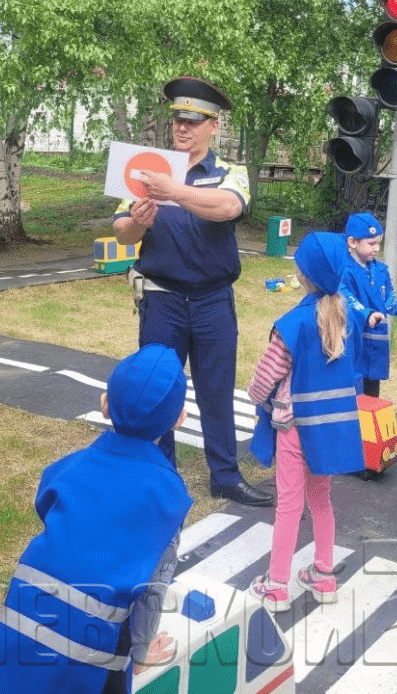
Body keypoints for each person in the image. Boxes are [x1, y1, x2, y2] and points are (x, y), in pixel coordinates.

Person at [0, 344, 192, 694]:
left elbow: (46, 505)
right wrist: (142, 651)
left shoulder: (69, 466)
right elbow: (153, 587)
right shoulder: (170, 497)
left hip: (27, 613)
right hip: (97, 643)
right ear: (179, 419)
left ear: (104, 404)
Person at [112, 76, 272, 508]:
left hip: (212, 300)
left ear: (213, 126)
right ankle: (159, 471)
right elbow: (123, 233)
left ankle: (224, 475)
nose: (183, 128)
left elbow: (228, 207)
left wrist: (172, 192)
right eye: (178, 120)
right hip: (161, 298)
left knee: (216, 391)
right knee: (158, 387)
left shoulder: (229, 171)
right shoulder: (146, 167)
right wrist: (139, 220)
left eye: (194, 121)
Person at [245, 231, 365, 612]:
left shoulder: (293, 324)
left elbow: (266, 377)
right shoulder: (350, 319)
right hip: (329, 430)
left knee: (288, 506)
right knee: (321, 501)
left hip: (294, 430)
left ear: (302, 274)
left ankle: (277, 584)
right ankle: (323, 576)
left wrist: (256, 397)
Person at [338, 212, 397, 397]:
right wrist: (366, 313)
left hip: (376, 348)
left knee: (372, 396)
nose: (376, 248)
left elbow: (390, 299)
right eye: (371, 244)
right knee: (353, 396)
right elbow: (346, 298)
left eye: (378, 243)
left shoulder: (381, 270)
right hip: (354, 343)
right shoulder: (344, 270)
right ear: (352, 242)